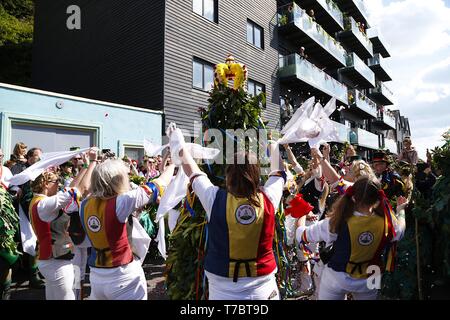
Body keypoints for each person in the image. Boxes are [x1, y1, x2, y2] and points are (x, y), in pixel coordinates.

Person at [167, 123, 285, 300]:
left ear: (228, 175)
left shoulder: (214, 198)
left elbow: (192, 170)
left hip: (223, 291)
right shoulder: (269, 197)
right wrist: (272, 143)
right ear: (256, 174)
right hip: (263, 288)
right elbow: (279, 172)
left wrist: (177, 140)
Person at [296, 176, 408, 300]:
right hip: (372, 275)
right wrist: (400, 211)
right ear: (378, 198)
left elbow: (304, 235)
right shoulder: (387, 222)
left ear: (354, 197)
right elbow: (400, 231)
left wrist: (301, 217)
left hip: (337, 276)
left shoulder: (336, 221)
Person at [80, 158, 174, 300]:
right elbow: (158, 184)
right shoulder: (121, 202)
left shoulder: (84, 204)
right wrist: (174, 163)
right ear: (117, 180)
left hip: (96, 276)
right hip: (122, 276)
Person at [29, 151, 93, 300]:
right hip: (55, 261)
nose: (59, 184)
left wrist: (84, 166)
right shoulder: (45, 204)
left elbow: (70, 189)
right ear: (45, 184)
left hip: (48, 258)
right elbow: (79, 190)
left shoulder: (38, 201)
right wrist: (91, 164)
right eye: (56, 182)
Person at [10, 147, 45, 289]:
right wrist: (16, 188)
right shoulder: (19, 167)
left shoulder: (41, 169)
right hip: (23, 210)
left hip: (38, 207)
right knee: (30, 241)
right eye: (37, 156)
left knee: (38, 241)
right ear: (30, 157)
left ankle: (36, 271)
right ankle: (32, 275)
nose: (40, 159)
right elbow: (12, 182)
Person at [0, 148, 20, 300]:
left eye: (1, 155)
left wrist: (14, 191)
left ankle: (6, 292)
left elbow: (15, 185)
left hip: (4, 221)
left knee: (6, 255)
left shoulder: (6, 170)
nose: (0, 157)